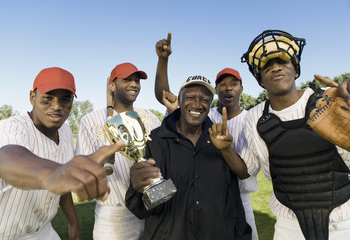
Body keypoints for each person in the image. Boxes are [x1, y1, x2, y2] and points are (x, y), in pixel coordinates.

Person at [0, 67, 124, 240]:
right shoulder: (11, 127)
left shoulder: (65, 131)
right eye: (47, 98)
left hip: (44, 230)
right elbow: (6, 158)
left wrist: (73, 222)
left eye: (65, 100)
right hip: (1, 234)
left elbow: (63, 180)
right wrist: (52, 173)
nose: (56, 106)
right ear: (32, 97)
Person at [240, 29, 350, 240]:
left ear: (296, 70)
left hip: (342, 221)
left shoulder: (327, 100)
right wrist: (225, 149)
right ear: (260, 80)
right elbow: (248, 168)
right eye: (267, 66)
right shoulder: (254, 117)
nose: (276, 67)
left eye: (283, 61)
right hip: (288, 225)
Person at [154, 33, 259, 239]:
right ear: (217, 91)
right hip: (199, 194)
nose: (228, 88)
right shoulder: (204, 114)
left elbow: (245, 172)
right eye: (222, 84)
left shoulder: (250, 118)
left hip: (237, 196)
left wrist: (226, 149)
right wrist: (163, 59)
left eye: (234, 83)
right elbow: (165, 95)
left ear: (241, 88)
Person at [125, 75, 252, 239]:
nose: (197, 104)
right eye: (191, 97)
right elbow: (142, 208)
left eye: (204, 99)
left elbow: (232, 197)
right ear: (179, 99)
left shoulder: (220, 138)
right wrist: (139, 190)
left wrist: (227, 150)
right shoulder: (156, 141)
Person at [75, 62, 161, 240]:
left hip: (151, 205)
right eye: (127, 79)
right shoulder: (91, 120)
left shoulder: (148, 117)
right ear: (112, 85)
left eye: (137, 80)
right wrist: (99, 162)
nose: (134, 84)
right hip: (114, 215)